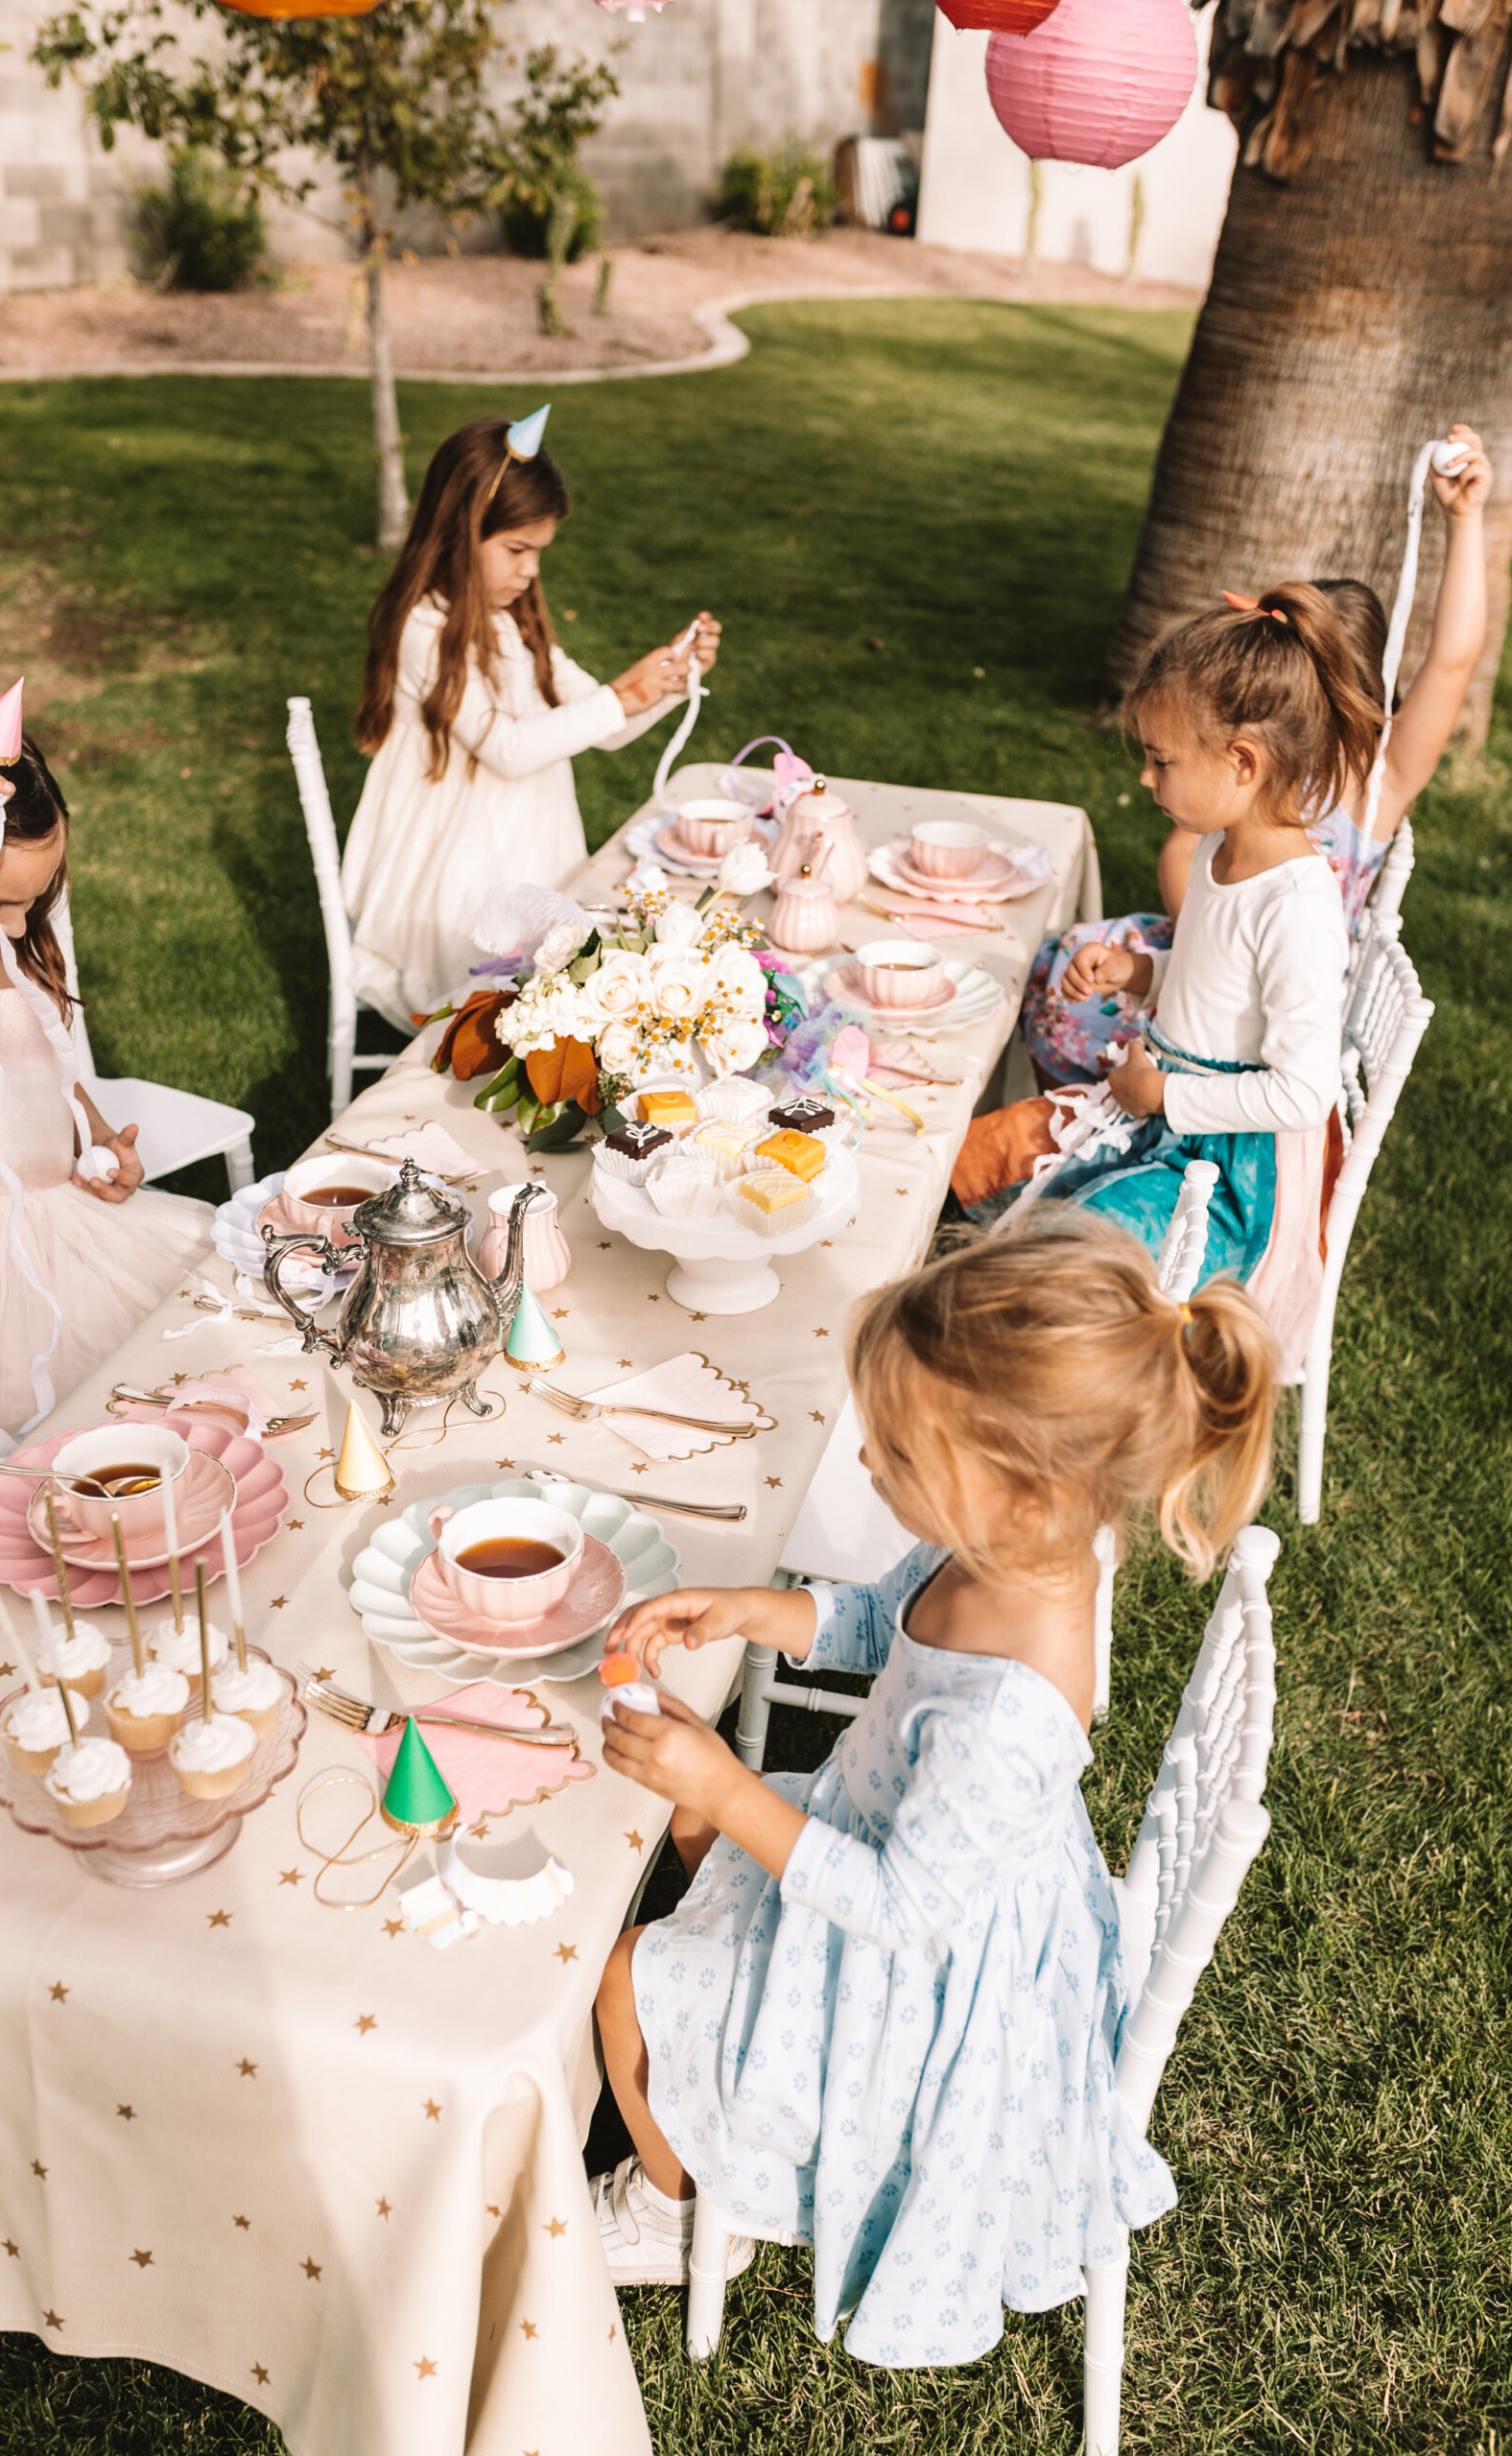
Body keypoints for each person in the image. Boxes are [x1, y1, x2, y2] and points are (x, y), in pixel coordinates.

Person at [588, 1213, 1277, 2367]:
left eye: (899, 1456)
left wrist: (720, 1774)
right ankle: (718, 2014)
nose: (866, 1462)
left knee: (622, 1974)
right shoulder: (1021, 1548)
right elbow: (884, 1614)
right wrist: (756, 1610)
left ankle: (671, 2209)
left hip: (918, 1979)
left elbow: (902, 1908)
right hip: (901, 1852)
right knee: (702, 1796)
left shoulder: (1012, 1712)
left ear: (1021, 1494)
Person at [951, 581, 1375, 1361]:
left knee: (1055, 1258)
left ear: (1242, 763)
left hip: (1220, 1172)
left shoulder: (1297, 906)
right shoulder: (1220, 849)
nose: (1146, 779)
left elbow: (1302, 1093)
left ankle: (1031, 1380)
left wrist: (1164, 1096)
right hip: (1150, 1109)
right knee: (974, 1151)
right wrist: (1135, 972)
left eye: (1159, 759)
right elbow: (1215, 977)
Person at [1022, 424, 1493, 1087]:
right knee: (1059, 961)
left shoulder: (1374, 785)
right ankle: (1083, 1126)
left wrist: (1464, 520)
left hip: (1269, 998)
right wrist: (1201, 943)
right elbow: (1182, 854)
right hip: (1197, 946)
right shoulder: (1240, 774)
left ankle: (1103, 1123)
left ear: (1363, 696)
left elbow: (1451, 661)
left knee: (1085, 1005)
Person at [0, 703, 213, 1429]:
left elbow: (40, 1070)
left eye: (36, 901)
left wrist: (91, 1139)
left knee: (193, 1356)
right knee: (43, 1434)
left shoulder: (5, 949)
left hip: (68, 1228)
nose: (24, 926)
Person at [342, 412, 721, 1028]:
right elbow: (509, 750)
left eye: (539, 552)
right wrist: (621, 697)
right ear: (461, 532)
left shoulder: (510, 619)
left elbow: (604, 725)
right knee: (506, 985)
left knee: (559, 979)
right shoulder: (425, 628)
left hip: (527, 846)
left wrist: (667, 683)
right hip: (456, 868)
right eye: (518, 550)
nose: (531, 571)